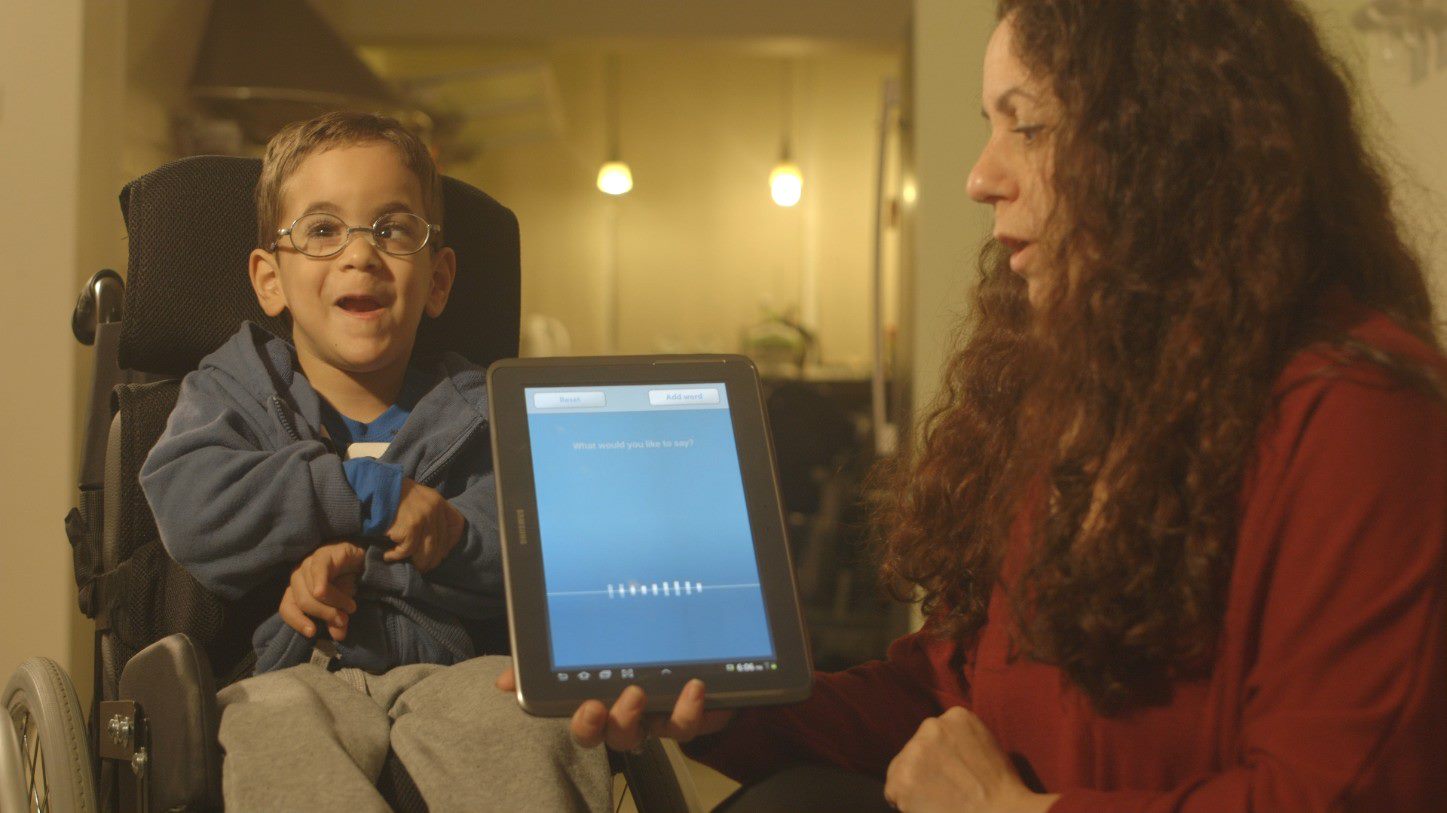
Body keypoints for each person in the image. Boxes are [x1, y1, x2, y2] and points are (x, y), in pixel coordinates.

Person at [528, 2, 1447, 811]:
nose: (979, 177)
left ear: (1167, 150)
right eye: (988, 126)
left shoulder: (1362, 415)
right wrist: (739, 697)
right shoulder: (1084, 391)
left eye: (1030, 128)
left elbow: (1340, 794)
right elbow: (953, 685)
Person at [142, 111, 611, 812]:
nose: (359, 254)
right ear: (270, 279)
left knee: (523, 723)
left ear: (439, 278)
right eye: (323, 229)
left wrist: (447, 536)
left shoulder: (483, 409)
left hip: (454, 670)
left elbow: (542, 553)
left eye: (392, 229)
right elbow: (192, 503)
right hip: (291, 669)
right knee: (272, 727)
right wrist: (363, 495)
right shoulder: (232, 389)